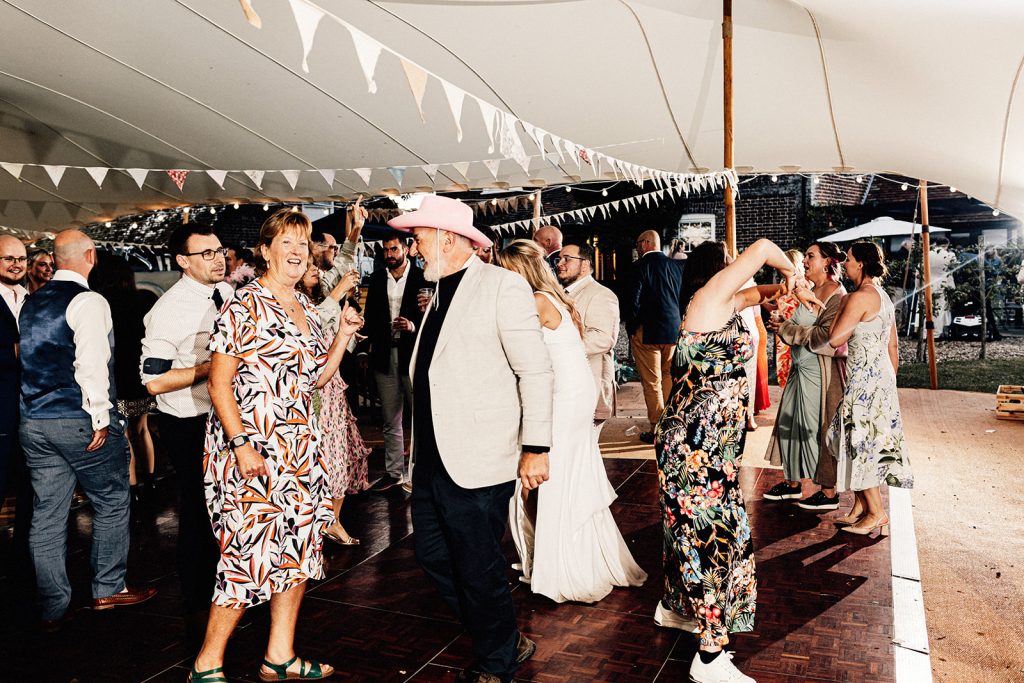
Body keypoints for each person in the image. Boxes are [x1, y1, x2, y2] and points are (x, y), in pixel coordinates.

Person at [190, 208, 363, 682]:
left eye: (303, 245)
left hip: (299, 449)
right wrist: (241, 444)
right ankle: (206, 665)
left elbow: (315, 379)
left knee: (301, 549)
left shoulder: (306, 307)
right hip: (249, 453)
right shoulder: (243, 305)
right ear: (264, 251)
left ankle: (279, 656)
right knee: (245, 557)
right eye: (285, 243)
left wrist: (343, 337)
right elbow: (219, 384)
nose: (296, 252)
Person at [388, 195, 551, 683]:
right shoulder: (437, 291)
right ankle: (503, 635)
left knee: (478, 566)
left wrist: (536, 447)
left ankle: (497, 663)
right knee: (434, 557)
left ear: (447, 237)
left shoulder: (502, 286)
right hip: (434, 458)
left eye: (418, 237)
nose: (413, 247)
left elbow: (535, 371)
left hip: (480, 456)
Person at [656, 238, 796, 683]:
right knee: (709, 537)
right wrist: (792, 269)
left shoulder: (724, 304)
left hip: (714, 445)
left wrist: (788, 292)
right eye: (731, 263)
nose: (742, 268)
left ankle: (676, 610)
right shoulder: (707, 300)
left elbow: (760, 293)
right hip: (694, 447)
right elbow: (762, 248)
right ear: (719, 269)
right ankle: (710, 657)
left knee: (693, 530)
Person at [19, 230, 157, 631]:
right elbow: (92, 363)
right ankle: (107, 589)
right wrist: (101, 417)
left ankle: (53, 605)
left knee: (47, 514)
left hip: (35, 421)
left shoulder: (31, 302)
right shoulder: (89, 300)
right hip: (80, 420)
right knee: (112, 501)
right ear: (90, 256)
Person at [498, 239, 646, 604]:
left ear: (518, 272)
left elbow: (513, 349)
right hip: (574, 393)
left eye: (505, 270)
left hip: (564, 398)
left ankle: (560, 568)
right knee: (567, 474)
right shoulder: (558, 299)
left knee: (555, 477)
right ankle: (569, 557)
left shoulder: (536, 302)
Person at [141, 224, 234, 648]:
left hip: (223, 417)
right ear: (182, 261)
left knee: (224, 510)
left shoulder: (228, 295)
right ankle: (198, 608)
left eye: (220, 251)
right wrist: (212, 367)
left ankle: (227, 592)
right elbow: (153, 382)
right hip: (187, 423)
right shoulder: (169, 309)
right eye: (207, 254)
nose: (219, 259)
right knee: (198, 513)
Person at [826, 241, 913, 535]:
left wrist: (837, 307)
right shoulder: (884, 297)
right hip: (882, 380)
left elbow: (835, 338)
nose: (845, 264)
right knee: (851, 438)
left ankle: (876, 512)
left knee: (858, 443)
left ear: (860, 264)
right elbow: (893, 346)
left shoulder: (857, 297)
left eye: (848, 259)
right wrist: (888, 383)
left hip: (863, 383)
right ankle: (861, 506)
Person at [764, 242, 847, 511]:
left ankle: (828, 491)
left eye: (810, 256)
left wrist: (787, 328)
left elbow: (827, 337)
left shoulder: (837, 295)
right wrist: (781, 327)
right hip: (799, 369)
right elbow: (800, 328)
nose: (805, 261)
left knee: (816, 429)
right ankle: (791, 484)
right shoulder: (810, 291)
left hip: (819, 373)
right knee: (790, 425)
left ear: (826, 262)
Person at [297, 258, 368, 546]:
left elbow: (331, 337)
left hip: (334, 391)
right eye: (309, 265)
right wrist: (338, 291)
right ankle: (318, 524)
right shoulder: (296, 303)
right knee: (321, 460)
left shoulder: (318, 300)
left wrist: (350, 336)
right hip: (315, 394)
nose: (315, 268)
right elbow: (312, 327)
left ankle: (333, 521)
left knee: (340, 459)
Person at [89, 252, 156, 512]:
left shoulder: (102, 303)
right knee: (143, 429)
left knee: (124, 433)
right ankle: (151, 480)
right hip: (141, 374)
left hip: (118, 374)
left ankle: (132, 487)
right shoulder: (144, 299)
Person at [361, 232, 426, 491]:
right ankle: (394, 472)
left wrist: (412, 325)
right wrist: (364, 350)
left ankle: (418, 473)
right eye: (386, 250)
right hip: (384, 355)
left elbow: (435, 314)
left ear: (406, 249)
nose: (389, 254)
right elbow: (369, 317)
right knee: (391, 418)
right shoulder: (377, 279)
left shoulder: (424, 277)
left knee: (419, 418)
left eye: (394, 249)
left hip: (414, 354)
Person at [555, 242, 620, 436]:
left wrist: (557, 348)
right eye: (559, 258)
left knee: (583, 451)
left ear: (584, 265)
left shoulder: (601, 294)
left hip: (589, 388)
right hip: (568, 387)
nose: (560, 263)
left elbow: (603, 338)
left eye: (567, 259)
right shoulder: (562, 294)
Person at [626, 229, 685, 444]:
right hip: (673, 330)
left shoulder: (638, 267)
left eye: (638, 243)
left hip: (647, 330)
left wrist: (632, 329)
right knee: (669, 376)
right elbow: (683, 298)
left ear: (646, 243)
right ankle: (671, 425)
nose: (637, 248)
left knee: (652, 382)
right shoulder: (677, 266)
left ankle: (657, 429)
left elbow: (633, 301)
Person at [0, 235, 28, 502]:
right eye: (9, 258)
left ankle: (25, 545)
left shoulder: (29, 298)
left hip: (29, 411)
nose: (16, 264)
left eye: (21, 259)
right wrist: (13, 352)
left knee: (29, 487)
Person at [766, 249, 807, 389]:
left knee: (797, 373)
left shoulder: (804, 285)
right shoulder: (784, 283)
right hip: (781, 335)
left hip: (796, 332)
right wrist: (760, 300)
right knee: (785, 373)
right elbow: (776, 308)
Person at [316, 197, 363, 299]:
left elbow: (347, 252)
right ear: (317, 248)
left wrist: (357, 225)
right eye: (334, 248)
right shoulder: (309, 276)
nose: (337, 253)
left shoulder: (329, 273)